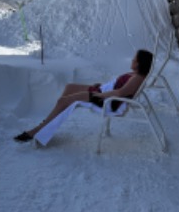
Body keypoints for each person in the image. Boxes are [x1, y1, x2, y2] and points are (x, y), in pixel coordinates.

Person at [14, 49, 154, 142]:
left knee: (64, 100)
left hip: (107, 101)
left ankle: (37, 130)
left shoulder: (137, 78)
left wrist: (99, 94)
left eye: (134, 59)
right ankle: (48, 123)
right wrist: (101, 87)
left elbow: (120, 92)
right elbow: (118, 87)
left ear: (140, 63)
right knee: (70, 87)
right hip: (104, 92)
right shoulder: (136, 74)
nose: (132, 61)